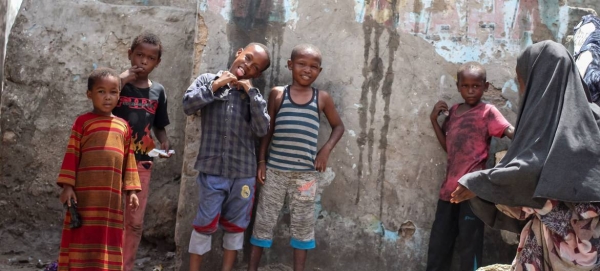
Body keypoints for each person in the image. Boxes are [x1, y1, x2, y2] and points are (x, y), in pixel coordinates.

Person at [451, 41, 600, 270]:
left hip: (569, 253)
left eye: (523, 83)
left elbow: (534, 171)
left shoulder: (546, 128)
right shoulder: (593, 118)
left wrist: (480, 183)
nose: (523, 92)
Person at [247, 44, 345, 271]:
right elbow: (267, 131)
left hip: (306, 177)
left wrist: (325, 149)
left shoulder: (322, 98)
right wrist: (262, 161)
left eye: (313, 67)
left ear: (319, 71)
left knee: (302, 226)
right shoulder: (278, 94)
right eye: (301, 64)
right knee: (263, 221)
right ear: (290, 65)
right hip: (275, 172)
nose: (307, 70)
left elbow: (338, 127)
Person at [182, 43, 271, 271]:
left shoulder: (254, 96)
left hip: (243, 175)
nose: (247, 66)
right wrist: (216, 85)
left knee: (235, 227)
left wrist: (251, 93)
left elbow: (262, 130)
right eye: (247, 58)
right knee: (204, 224)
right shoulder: (207, 80)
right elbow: (188, 105)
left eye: (254, 67)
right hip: (212, 171)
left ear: (257, 74)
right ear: (238, 52)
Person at [426, 61, 515, 271]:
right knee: (438, 248)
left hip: (472, 194)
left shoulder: (488, 112)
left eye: (476, 86)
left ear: (486, 86)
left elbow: (512, 133)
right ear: (458, 86)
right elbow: (449, 148)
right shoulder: (455, 111)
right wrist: (433, 121)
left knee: (470, 248)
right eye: (465, 86)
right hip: (448, 193)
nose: (471, 90)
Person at [57, 67, 141, 271]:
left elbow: (129, 159)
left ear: (119, 96)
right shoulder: (82, 123)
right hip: (85, 198)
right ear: (89, 94)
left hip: (110, 201)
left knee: (107, 238)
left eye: (113, 92)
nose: (107, 97)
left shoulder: (123, 126)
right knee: (82, 236)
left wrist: (131, 190)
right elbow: (72, 154)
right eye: (101, 91)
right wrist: (68, 186)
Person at [112, 32, 171, 271]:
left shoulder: (158, 91)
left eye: (150, 58)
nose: (143, 61)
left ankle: (125, 266)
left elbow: (159, 124)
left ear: (157, 62)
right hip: (113, 162)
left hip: (141, 165)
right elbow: (101, 104)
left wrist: (164, 142)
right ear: (130, 54)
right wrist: (122, 79)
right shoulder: (117, 85)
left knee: (134, 222)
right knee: (111, 218)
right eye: (139, 55)